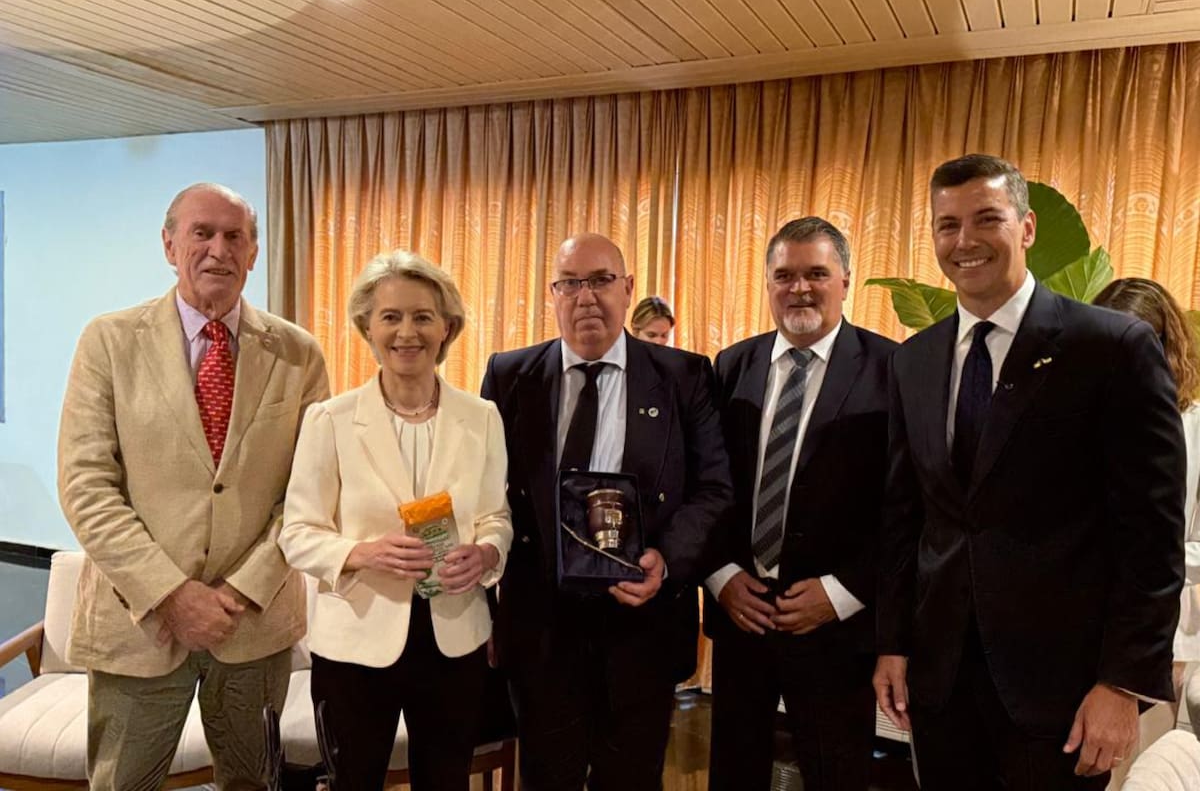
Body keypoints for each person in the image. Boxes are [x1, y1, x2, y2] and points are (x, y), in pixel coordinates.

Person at [874, 154, 1186, 790]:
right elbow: (907, 517)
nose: (965, 242)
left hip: (1064, 693)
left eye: (987, 218)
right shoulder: (915, 360)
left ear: (1027, 227)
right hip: (940, 685)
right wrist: (893, 643)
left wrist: (1122, 683)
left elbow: (1151, 536)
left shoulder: (1110, 347)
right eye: (947, 225)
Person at [57, 182, 330, 791]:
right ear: (169, 243)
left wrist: (241, 589)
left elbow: (309, 493)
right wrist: (172, 595)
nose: (217, 250)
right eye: (201, 234)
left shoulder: (299, 354)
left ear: (254, 252)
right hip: (140, 624)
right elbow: (87, 487)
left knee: (254, 783)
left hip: (251, 626)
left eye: (234, 236)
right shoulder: (107, 342)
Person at [480, 233, 733, 790]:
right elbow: (483, 498)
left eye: (600, 280)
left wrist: (667, 559)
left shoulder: (684, 376)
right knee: (547, 780)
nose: (586, 297)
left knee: (632, 779)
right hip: (542, 627)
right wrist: (482, 609)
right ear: (553, 294)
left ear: (627, 288)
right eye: (570, 283)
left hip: (641, 624)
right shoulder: (509, 375)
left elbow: (714, 489)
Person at [279, 250, 513, 790]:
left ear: (447, 327)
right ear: (367, 327)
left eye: (423, 316)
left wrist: (487, 554)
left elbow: (497, 517)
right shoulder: (330, 420)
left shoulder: (482, 417)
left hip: (456, 639)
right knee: (354, 780)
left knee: (446, 780)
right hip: (357, 644)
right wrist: (360, 553)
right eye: (391, 317)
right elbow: (296, 533)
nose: (407, 332)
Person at [705, 217, 896, 790]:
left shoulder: (894, 369)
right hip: (743, 617)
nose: (800, 288)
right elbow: (709, 487)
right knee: (734, 774)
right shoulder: (730, 365)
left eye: (817, 273)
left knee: (835, 775)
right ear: (767, 284)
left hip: (837, 629)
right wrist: (721, 576)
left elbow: (908, 506)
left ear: (845, 281)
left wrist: (841, 594)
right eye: (784, 275)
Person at [1094, 278, 1200, 689]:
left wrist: (1140, 553)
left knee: (1141, 755)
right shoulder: (1078, 420)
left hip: (1160, 636)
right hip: (1078, 631)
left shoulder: (1193, 425)